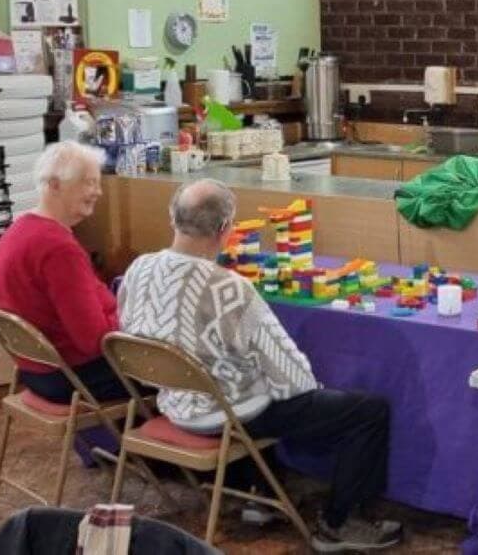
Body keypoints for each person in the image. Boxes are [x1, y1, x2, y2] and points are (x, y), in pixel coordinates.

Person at [117, 179, 401, 553]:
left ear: (173, 218)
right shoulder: (229, 288)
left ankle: (260, 495)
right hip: (225, 413)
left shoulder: (139, 268)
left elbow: (128, 330)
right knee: (368, 411)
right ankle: (338, 523)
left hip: (173, 402)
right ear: (224, 231)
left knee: (250, 375)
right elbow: (295, 379)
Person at [0, 141, 130, 404]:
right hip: (71, 376)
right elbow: (94, 340)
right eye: (89, 183)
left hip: (35, 370)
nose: (98, 192)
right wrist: (134, 319)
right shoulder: (58, 248)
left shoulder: (19, 228)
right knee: (181, 375)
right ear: (55, 185)